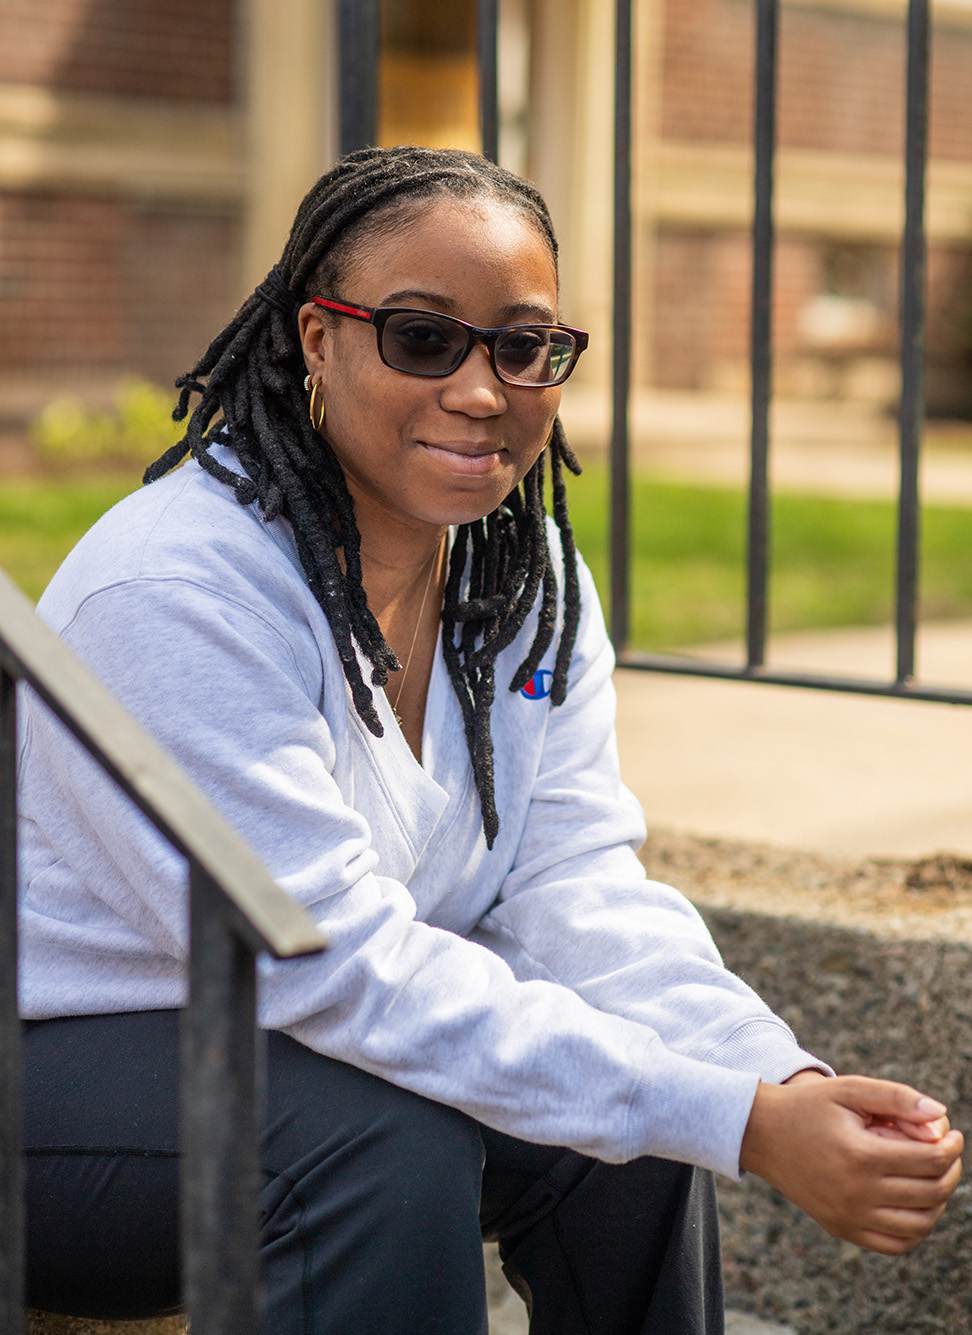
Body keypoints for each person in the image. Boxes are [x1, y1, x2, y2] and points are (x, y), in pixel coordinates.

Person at [18, 146, 962, 1335]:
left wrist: (769, 1081)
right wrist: (742, 1124)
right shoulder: (176, 591)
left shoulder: (526, 582)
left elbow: (574, 884)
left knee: (630, 1112)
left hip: (283, 1053)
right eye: (423, 338)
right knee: (382, 1142)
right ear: (318, 340)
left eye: (526, 347)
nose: (483, 389)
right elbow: (324, 963)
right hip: (54, 1079)